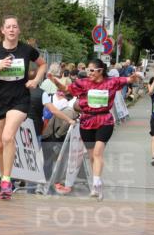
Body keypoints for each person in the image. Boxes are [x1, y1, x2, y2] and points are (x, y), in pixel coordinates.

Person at [51, 58, 141, 200]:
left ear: (100, 71)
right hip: (87, 121)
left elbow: (129, 79)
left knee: (98, 153)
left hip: (104, 120)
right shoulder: (83, 83)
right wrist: (54, 81)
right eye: (88, 70)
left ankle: (96, 184)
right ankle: (96, 180)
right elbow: (66, 89)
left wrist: (135, 76)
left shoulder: (111, 82)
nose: (90, 73)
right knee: (92, 156)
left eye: (92, 70)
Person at [0, 16, 46, 200]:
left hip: (19, 100)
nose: (11, 30)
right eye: (8, 27)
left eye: (14, 27)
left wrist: (36, 79)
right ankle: (5, 180)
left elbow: (42, 64)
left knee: (8, 137)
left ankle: (6, 180)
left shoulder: (26, 50)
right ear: (3, 30)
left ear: (18, 30)